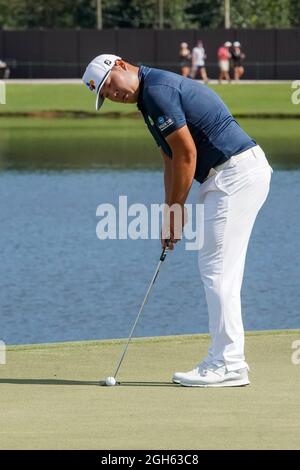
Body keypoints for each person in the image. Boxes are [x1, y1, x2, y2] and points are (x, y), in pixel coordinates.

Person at [82, 54, 272, 388]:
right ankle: (228, 360)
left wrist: (177, 213)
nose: (115, 95)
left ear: (122, 66)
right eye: (107, 96)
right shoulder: (148, 99)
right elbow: (170, 158)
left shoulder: (157, 90)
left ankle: (227, 363)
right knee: (219, 269)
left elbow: (187, 154)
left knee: (216, 269)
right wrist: (169, 213)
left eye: (111, 86)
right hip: (233, 175)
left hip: (235, 174)